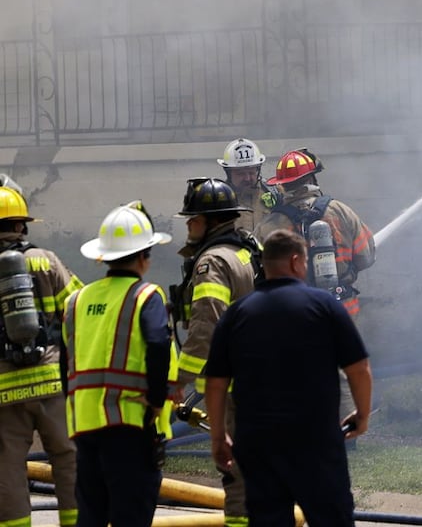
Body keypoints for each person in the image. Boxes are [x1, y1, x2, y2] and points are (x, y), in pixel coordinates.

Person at [204, 230, 371, 527]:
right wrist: (362, 414)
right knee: (332, 518)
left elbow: (215, 383)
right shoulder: (325, 306)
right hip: (315, 440)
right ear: (296, 261)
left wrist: (219, 436)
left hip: (257, 442)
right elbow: (358, 369)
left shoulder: (237, 313)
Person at [62, 202, 177, 527]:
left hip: (84, 425)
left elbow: (65, 360)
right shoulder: (146, 295)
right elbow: (158, 343)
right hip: (129, 424)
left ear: (102, 257)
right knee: (131, 514)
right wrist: (155, 400)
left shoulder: (77, 300)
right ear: (144, 256)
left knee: (91, 515)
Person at [172, 178, 260, 527]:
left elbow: (206, 324)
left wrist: (180, 377)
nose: (189, 226)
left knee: (236, 470)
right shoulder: (248, 248)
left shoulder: (212, 262)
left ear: (209, 221)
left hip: (237, 382)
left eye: (192, 219)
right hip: (264, 373)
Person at [0, 185, 84, 527]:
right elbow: (77, 305)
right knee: (67, 457)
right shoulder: (44, 259)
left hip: (4, 388)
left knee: (8, 464)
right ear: (22, 225)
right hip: (50, 381)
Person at [255, 150, 375, 319]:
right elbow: (366, 257)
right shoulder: (340, 211)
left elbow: (258, 274)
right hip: (342, 312)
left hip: (294, 314)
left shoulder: (268, 225)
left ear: (282, 185)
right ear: (312, 179)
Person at [217, 139, 274, 228]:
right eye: (241, 174)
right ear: (229, 173)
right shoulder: (219, 200)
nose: (247, 178)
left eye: (251, 173)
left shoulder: (272, 194)